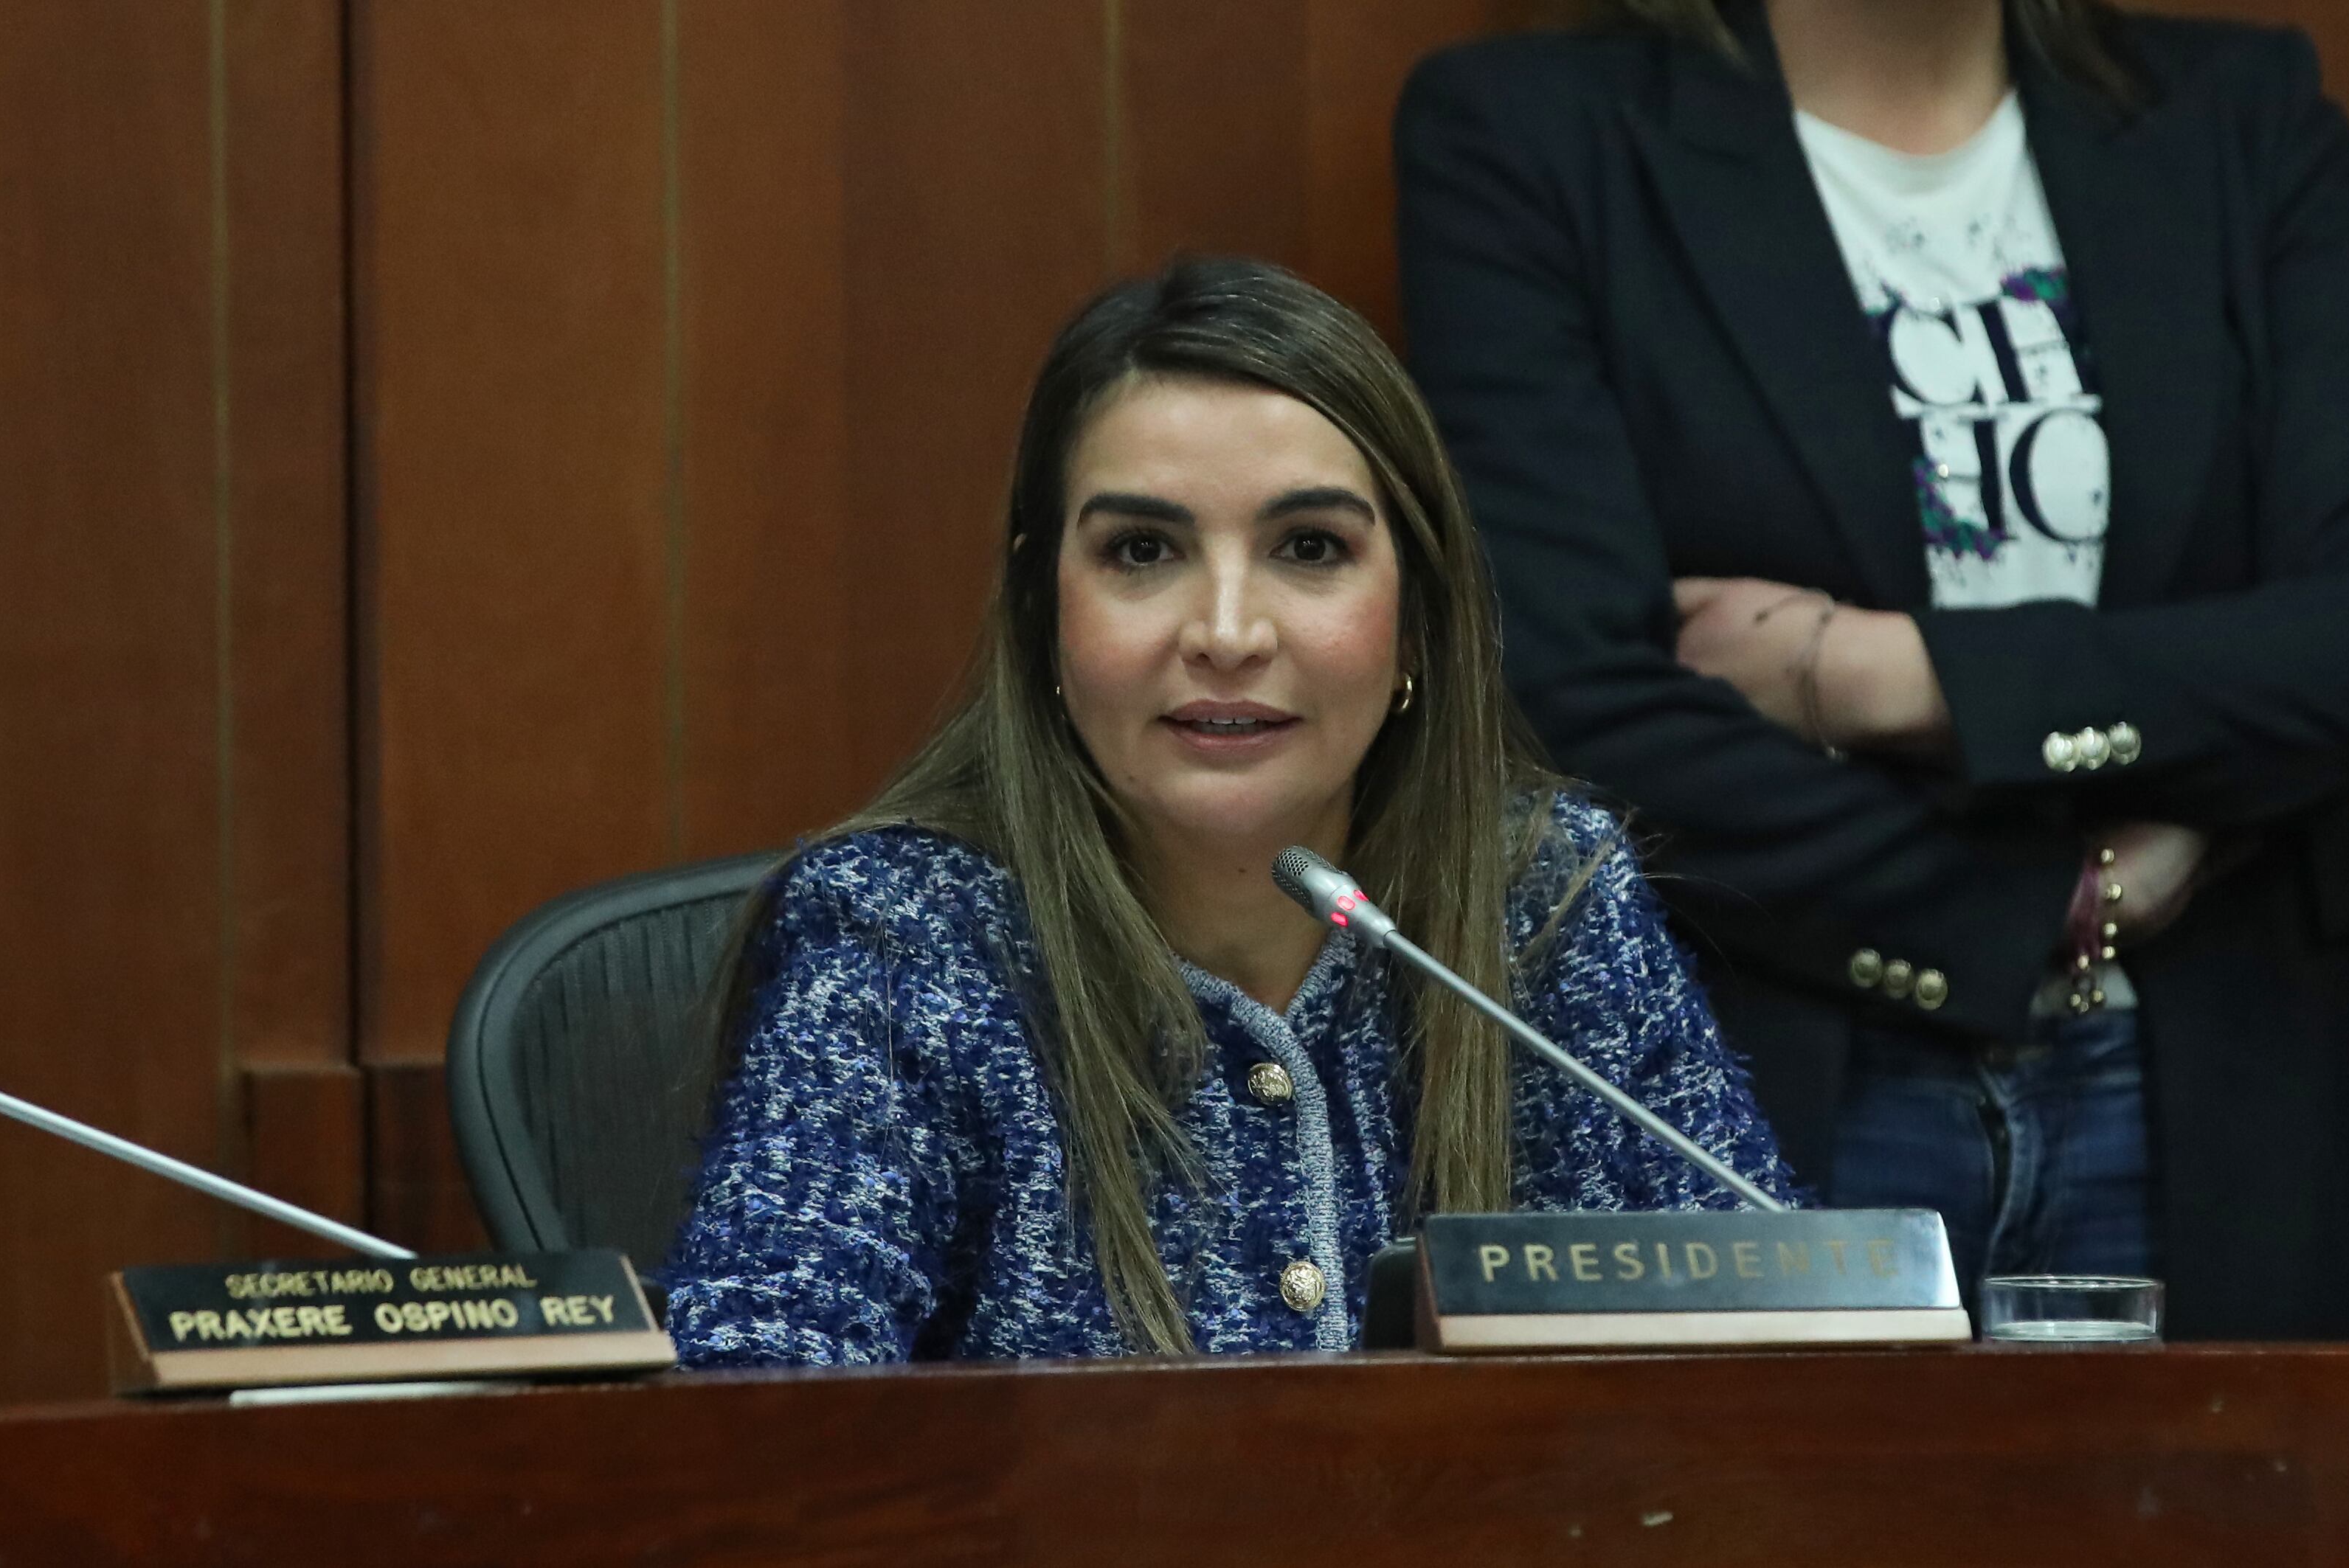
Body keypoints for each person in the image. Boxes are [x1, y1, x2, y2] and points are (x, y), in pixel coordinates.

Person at [1396, 0, 2349, 1336]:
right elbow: (1567, 696)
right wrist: (2051, 902)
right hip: (1782, 1074)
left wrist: (1870, 672)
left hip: (2223, 1062)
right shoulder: (1534, 137)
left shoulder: (2238, 113)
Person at [661, 258, 1795, 1364]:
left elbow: (1787, 1356)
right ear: (1042, 612)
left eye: (1309, 548)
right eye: (1142, 551)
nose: (1229, 631)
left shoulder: (1539, 902)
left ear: (1417, 616)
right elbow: (757, 1412)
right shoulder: (911, 938)